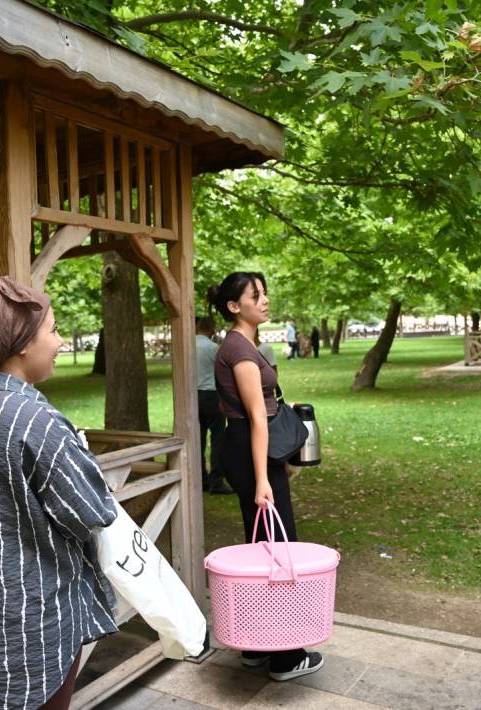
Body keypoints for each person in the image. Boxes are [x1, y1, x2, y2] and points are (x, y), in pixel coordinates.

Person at [0, 276, 118, 710]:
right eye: (52, 330)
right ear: (17, 342)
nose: (59, 342)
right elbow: (92, 509)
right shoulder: (32, 417)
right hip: (34, 614)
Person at [209, 272, 324, 682]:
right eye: (254, 295)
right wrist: (263, 480)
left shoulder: (244, 344)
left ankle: (256, 647)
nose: (264, 299)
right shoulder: (239, 348)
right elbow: (256, 417)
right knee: (279, 550)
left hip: (246, 447)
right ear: (233, 307)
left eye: (264, 292)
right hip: (249, 450)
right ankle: (285, 656)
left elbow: (261, 407)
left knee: (261, 548)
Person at [196, 315, 230, 494]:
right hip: (211, 394)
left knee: (198, 439)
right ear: (211, 329)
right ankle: (216, 480)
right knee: (217, 438)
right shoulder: (213, 348)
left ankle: (201, 479)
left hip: (194, 395)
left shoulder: (188, 346)